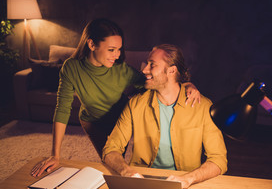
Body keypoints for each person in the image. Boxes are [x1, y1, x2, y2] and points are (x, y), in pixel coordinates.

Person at [31, 19, 200, 177]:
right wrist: (55, 155)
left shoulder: (122, 70)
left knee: (118, 163)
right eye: (111, 50)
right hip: (92, 123)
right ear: (91, 44)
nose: (117, 55)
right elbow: (62, 108)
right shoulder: (71, 68)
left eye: (119, 49)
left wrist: (187, 84)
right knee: (108, 162)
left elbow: (159, 82)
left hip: (120, 120)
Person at [102, 44, 227, 189]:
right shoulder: (135, 104)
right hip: (141, 181)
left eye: (152, 65)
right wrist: (127, 172)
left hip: (185, 182)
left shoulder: (203, 107)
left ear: (172, 70)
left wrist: (188, 179)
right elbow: (110, 148)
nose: (144, 70)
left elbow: (219, 160)